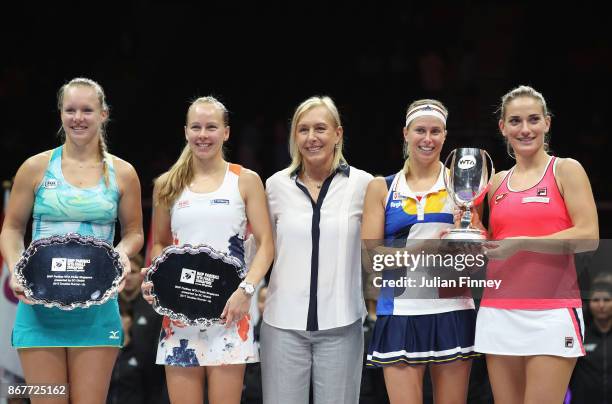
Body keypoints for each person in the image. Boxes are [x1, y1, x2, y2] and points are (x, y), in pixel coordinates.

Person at [0, 77, 144, 403]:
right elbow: (11, 229)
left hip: (97, 310)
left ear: (103, 114)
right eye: (71, 110)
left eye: (87, 110)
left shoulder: (122, 173)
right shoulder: (34, 168)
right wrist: (15, 268)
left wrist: (121, 253)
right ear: (61, 114)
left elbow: (135, 232)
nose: (78, 117)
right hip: (38, 310)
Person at [142, 96, 274, 404]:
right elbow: (159, 243)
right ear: (186, 131)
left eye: (211, 127)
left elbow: (267, 245)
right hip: (179, 315)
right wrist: (159, 283)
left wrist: (247, 290)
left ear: (226, 132)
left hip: (230, 314)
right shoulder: (166, 185)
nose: (203, 134)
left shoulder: (246, 180)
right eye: (196, 127)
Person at [475, 85, 599, 403]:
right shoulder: (495, 182)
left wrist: (522, 244)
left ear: (547, 123)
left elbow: (588, 236)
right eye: (515, 121)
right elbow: (489, 244)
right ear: (503, 127)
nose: (525, 129)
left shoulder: (565, 170)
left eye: (533, 119)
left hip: (552, 312)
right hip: (498, 311)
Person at [362, 99, 478, 404]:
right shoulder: (383, 187)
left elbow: (478, 255)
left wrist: (470, 247)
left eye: (435, 131)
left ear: (444, 135)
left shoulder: (463, 185)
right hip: (400, 312)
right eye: (420, 130)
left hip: (452, 309)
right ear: (405, 133)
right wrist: (427, 247)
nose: (428, 139)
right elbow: (372, 259)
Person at [261, 96, 373, 404]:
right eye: (303, 129)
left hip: (342, 323)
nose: (312, 138)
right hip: (282, 325)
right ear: (294, 137)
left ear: (338, 134)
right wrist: (252, 288)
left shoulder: (364, 185)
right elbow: (258, 247)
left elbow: (382, 247)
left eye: (320, 128)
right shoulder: (275, 186)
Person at [119, 253, 165, 404]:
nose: (129, 277)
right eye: (125, 272)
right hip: (120, 385)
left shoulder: (154, 306)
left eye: (133, 272)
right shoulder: (110, 306)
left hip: (151, 384)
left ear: (141, 275)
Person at [570, 280, 612, 403]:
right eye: (596, 300)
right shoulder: (579, 335)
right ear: (588, 304)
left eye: (607, 300)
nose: (601, 305)